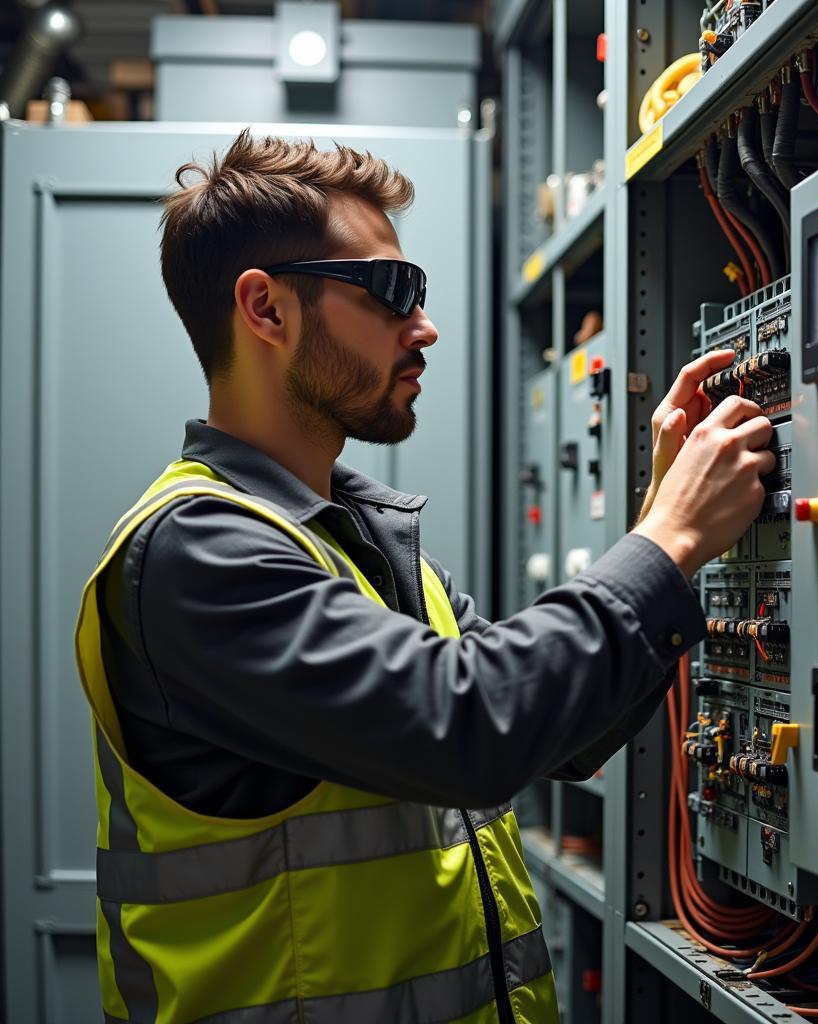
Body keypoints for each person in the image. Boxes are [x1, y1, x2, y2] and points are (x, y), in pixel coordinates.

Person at [74, 130, 774, 1024]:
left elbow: (555, 736)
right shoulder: (194, 553)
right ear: (266, 310)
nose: (426, 325)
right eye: (392, 290)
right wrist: (669, 541)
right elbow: (469, 728)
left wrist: (660, 522)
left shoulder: (357, 539)